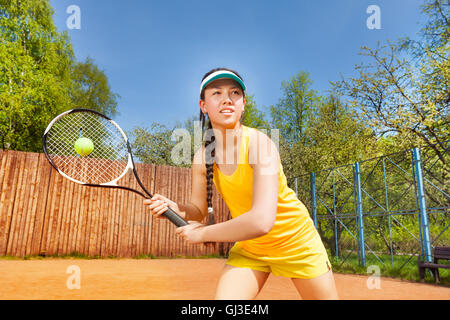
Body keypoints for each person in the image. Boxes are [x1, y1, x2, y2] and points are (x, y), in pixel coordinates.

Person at [144, 68, 339, 300]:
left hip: (295, 242)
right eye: (216, 93)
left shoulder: (260, 144)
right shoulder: (202, 156)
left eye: (234, 92)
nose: (227, 98)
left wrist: (203, 234)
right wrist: (178, 209)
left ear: (243, 104)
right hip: (251, 248)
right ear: (203, 105)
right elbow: (197, 211)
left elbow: (261, 221)